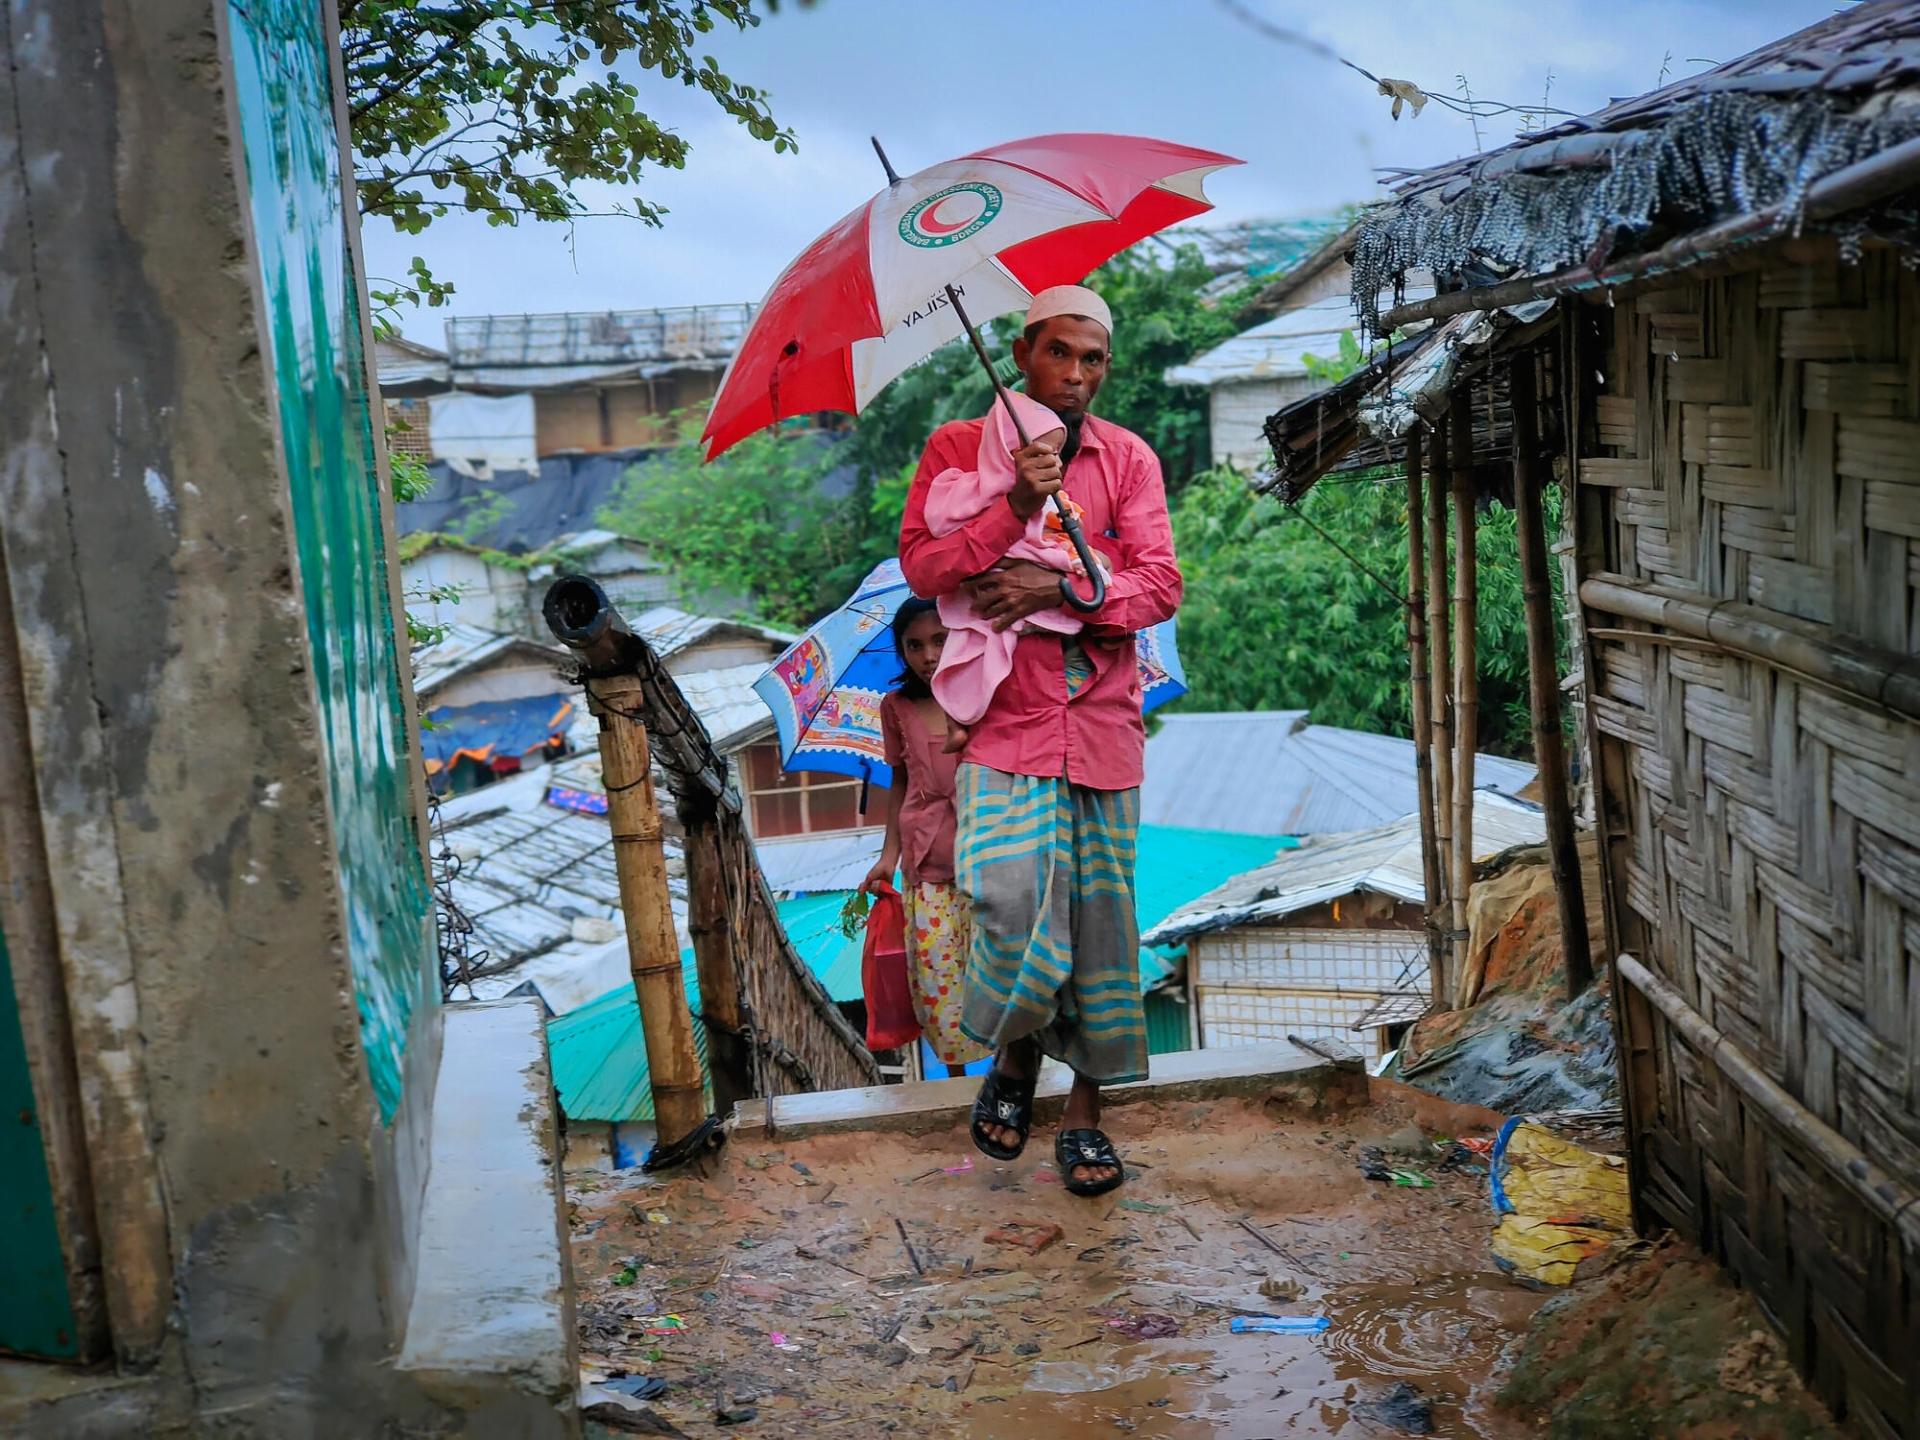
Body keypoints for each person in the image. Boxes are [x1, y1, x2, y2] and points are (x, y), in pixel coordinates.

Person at [898, 283, 1182, 1197]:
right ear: (1023, 354)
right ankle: (1016, 1061)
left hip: (1103, 728)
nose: (1074, 374)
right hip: (1003, 729)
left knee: (1103, 929)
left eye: (1092, 358)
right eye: (1058, 352)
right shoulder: (954, 449)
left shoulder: (1127, 460)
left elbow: (1158, 586)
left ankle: (1086, 1114)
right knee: (1009, 904)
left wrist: (1060, 592)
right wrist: (1013, 502)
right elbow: (925, 566)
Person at [922, 389, 1106, 754]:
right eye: (1039, 454)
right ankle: (956, 716)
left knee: (985, 642)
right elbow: (938, 529)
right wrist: (1015, 510)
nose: (1048, 463)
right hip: (989, 578)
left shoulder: (1045, 492)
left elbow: (1059, 523)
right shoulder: (971, 486)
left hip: (1026, 573)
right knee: (965, 643)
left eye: (1054, 455)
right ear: (1004, 451)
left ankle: (961, 715)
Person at [861, 598, 991, 1077]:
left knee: (992, 968)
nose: (928, 654)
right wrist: (887, 857)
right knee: (940, 975)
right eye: (913, 645)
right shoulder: (895, 707)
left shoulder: (986, 691)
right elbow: (900, 780)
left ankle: (1010, 1079)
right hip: (925, 858)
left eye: (939, 639)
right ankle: (958, 1085)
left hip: (987, 851)